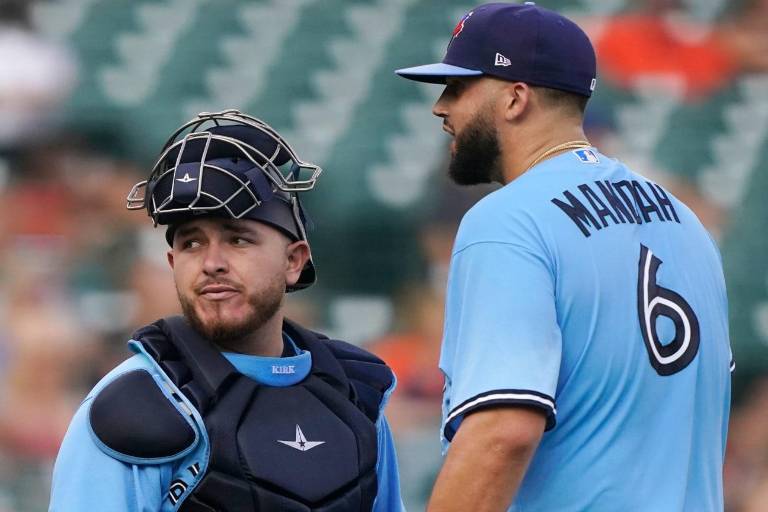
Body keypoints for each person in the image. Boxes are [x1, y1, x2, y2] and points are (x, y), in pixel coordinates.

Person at [395, 3, 732, 511]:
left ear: (514, 98)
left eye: (458, 87)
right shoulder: (684, 222)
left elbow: (502, 432)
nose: (441, 108)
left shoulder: (508, 221)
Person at [48, 110, 404, 511]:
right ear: (171, 263)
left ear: (294, 260)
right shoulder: (136, 403)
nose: (211, 263)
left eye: (238, 239)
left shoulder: (355, 395)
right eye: (192, 244)